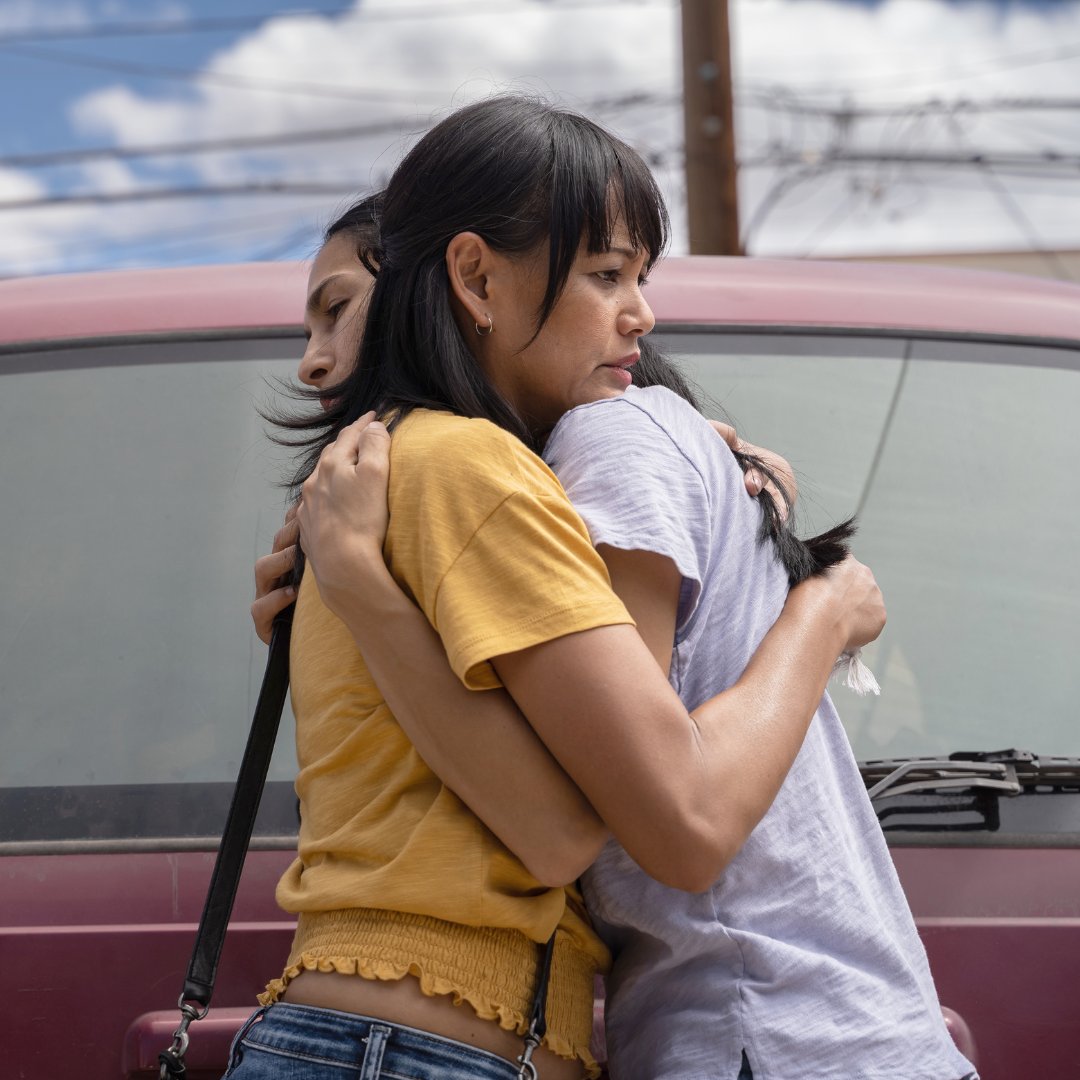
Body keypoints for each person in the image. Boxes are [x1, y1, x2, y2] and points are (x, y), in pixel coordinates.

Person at [227, 95, 920, 1080]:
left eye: (638, 276)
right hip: (422, 1045)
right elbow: (564, 831)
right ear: (475, 277)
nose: (640, 313)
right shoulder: (467, 470)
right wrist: (821, 604)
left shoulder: (396, 474)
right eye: (605, 275)